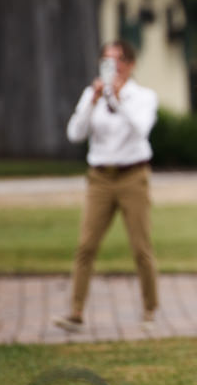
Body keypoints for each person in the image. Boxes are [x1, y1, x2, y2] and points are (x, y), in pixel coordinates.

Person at [53, 41, 159, 333]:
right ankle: (75, 312)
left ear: (131, 64)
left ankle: (150, 308)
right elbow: (75, 133)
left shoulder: (143, 96)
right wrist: (94, 101)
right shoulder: (92, 94)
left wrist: (116, 100)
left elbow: (142, 128)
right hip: (100, 178)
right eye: (108, 61)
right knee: (86, 245)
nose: (115, 66)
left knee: (141, 247)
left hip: (132, 176)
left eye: (120, 60)